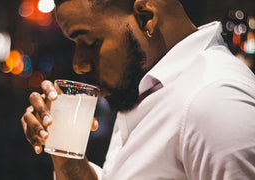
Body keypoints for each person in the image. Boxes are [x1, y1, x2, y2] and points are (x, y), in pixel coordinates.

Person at [21, 0, 255, 179]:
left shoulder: (214, 100)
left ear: (145, 17)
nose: (78, 64)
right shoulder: (148, 85)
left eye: (89, 42)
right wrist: (69, 164)